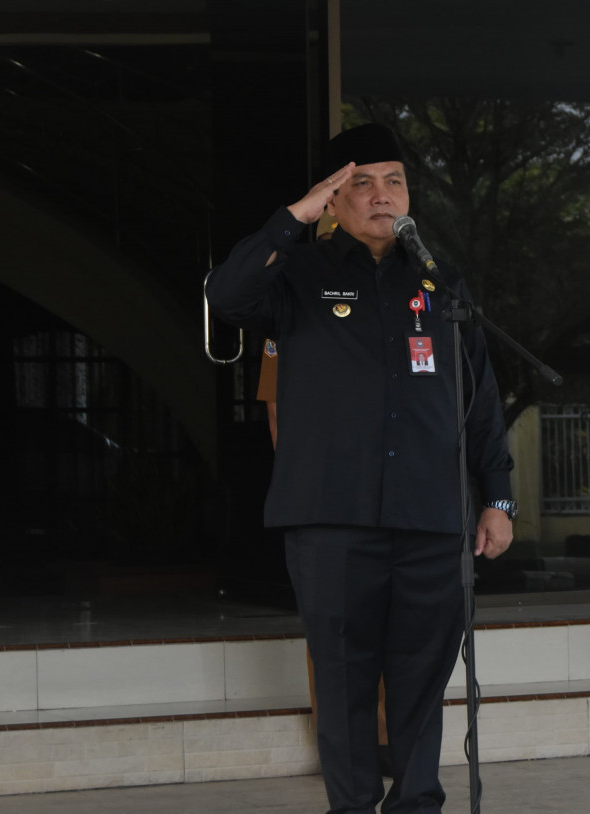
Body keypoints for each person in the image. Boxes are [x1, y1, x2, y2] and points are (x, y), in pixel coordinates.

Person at [206, 122, 516, 812]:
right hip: (332, 520)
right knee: (344, 682)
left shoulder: (441, 282)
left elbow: (480, 403)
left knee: (420, 680)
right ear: (334, 198)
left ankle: (416, 804)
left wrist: (498, 499)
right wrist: (292, 219)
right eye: (361, 183)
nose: (381, 196)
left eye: (394, 181)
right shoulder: (296, 276)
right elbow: (225, 296)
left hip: (433, 519)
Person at [255, 213, 395, 775]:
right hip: (327, 496)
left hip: (387, 493)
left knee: (391, 628)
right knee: (334, 635)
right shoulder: (298, 301)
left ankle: (388, 739)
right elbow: (276, 411)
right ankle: (341, 745)